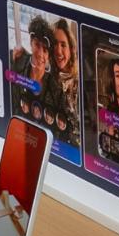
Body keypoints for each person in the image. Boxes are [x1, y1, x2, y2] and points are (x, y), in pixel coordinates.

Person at [10, 15, 53, 115]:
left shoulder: (53, 85)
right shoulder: (18, 62)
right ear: (31, 42)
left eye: (45, 50)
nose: (40, 54)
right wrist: (12, 60)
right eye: (37, 45)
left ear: (49, 55)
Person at [50, 18, 81, 147]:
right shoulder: (50, 77)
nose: (58, 51)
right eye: (55, 44)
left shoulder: (79, 82)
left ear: (71, 48)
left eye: (63, 45)